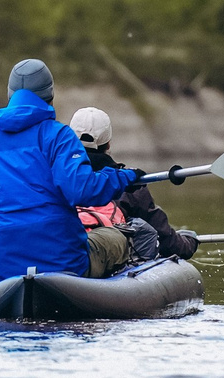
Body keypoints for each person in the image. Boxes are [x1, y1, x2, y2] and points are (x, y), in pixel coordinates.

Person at [0, 59, 143, 281]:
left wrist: (11, 213)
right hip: (65, 265)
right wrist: (123, 177)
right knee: (117, 238)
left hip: (3, 269)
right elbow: (82, 191)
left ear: (10, 95)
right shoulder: (59, 136)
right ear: (50, 97)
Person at [70, 106, 199, 269]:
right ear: (108, 144)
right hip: (103, 260)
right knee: (142, 229)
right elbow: (166, 240)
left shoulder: (53, 177)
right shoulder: (129, 183)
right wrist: (189, 242)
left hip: (62, 252)